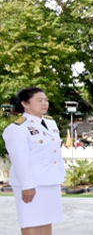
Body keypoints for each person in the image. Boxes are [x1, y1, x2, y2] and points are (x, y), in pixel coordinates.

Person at [2, 87, 66, 235]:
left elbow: (55, 153)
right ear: (25, 103)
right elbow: (20, 160)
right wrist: (27, 186)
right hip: (32, 183)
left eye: (46, 100)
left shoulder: (50, 123)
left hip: (49, 180)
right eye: (39, 100)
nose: (44, 103)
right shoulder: (18, 128)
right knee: (31, 221)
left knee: (46, 221)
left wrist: (59, 175)